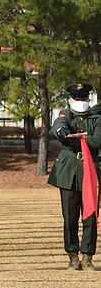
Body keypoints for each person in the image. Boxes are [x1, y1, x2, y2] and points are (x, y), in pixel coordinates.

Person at [49, 83, 101, 270]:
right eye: (76, 99)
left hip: (91, 170)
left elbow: (98, 140)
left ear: (89, 100)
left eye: (84, 98)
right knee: (70, 217)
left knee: (90, 217)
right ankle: (72, 255)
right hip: (69, 172)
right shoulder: (65, 114)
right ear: (70, 100)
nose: (80, 102)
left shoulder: (96, 118)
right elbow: (58, 126)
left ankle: (87, 256)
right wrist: (64, 133)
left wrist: (76, 138)